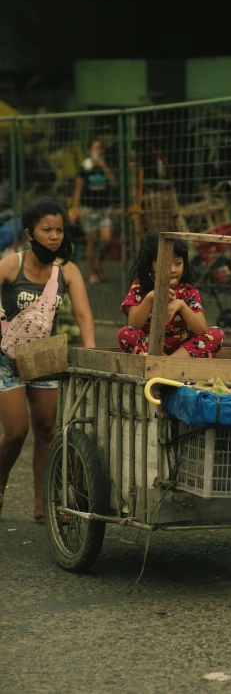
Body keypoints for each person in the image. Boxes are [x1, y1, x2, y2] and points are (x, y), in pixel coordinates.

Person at [0, 198, 95, 523]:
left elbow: (83, 314)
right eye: (47, 230)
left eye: (59, 230)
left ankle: (45, 504)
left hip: (43, 358)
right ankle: (0, 482)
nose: (55, 236)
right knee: (16, 432)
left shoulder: (67, 270)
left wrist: (92, 352)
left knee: (46, 430)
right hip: (5, 360)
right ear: (29, 233)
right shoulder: (11, 264)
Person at [118, 231, 225, 358]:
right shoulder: (139, 287)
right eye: (166, 263)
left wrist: (182, 305)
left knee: (217, 334)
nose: (173, 269)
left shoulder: (188, 289)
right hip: (150, 345)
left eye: (178, 263)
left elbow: (201, 329)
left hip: (183, 348)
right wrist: (150, 298)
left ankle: (169, 363)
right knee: (125, 334)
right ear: (150, 264)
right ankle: (169, 363)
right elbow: (133, 325)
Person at [72, 139, 117, 285]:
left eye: (100, 148)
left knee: (107, 239)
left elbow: (114, 183)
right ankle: (93, 271)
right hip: (89, 208)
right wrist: (75, 208)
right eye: (96, 148)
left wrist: (104, 167)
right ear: (89, 151)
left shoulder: (105, 165)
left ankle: (98, 262)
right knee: (91, 241)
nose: (99, 151)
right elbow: (78, 189)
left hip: (104, 208)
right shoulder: (85, 168)